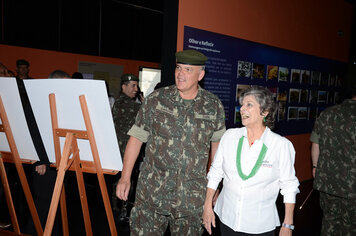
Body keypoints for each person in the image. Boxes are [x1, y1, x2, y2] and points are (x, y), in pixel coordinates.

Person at [116, 49, 226, 235]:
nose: (180, 74)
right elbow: (136, 140)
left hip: (191, 198)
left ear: (201, 75)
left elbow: (217, 149)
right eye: (178, 68)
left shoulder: (213, 105)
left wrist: (214, 187)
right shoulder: (156, 100)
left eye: (188, 70)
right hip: (152, 194)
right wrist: (125, 177)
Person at [203, 86, 299, 236]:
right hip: (227, 219)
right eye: (242, 105)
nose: (242, 109)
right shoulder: (230, 137)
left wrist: (288, 224)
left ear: (265, 112)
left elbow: (289, 186)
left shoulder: (280, 146)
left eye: (249, 104)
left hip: (259, 226)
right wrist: (207, 206)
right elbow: (215, 172)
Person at [310, 88, 356, 236]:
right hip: (352, 187)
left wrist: (315, 166)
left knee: (329, 221)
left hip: (326, 181)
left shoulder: (327, 113)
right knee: (350, 226)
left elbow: (315, 144)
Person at [111, 74, 141, 223]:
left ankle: (120, 210)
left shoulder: (128, 103)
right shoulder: (123, 103)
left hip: (125, 149)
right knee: (123, 181)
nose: (136, 89)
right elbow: (142, 109)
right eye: (133, 86)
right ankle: (120, 211)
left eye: (137, 85)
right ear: (124, 87)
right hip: (122, 150)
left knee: (121, 181)